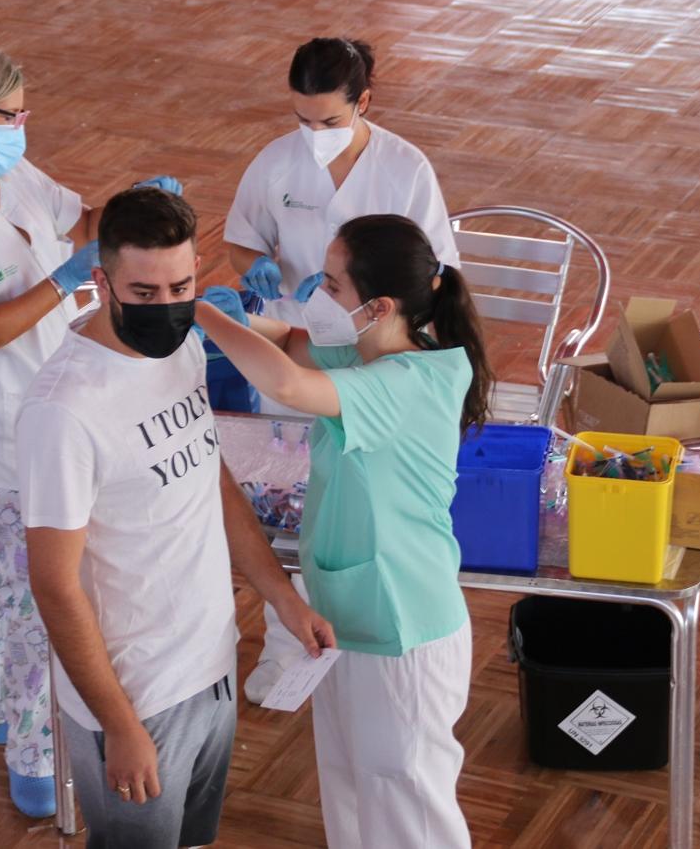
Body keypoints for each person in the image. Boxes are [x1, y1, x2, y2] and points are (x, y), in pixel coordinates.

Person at [0, 45, 181, 818]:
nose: (23, 127)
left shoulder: (4, 173)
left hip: (50, 410)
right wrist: (64, 278)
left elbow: (78, 222)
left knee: (3, 579)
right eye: (9, 115)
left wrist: (127, 208)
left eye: (25, 113)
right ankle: (36, 758)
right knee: (35, 600)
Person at [17, 187, 334, 849]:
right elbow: (54, 583)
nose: (167, 309)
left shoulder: (184, 347)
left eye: (181, 288)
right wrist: (119, 724)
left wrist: (280, 596)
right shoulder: (64, 410)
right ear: (101, 282)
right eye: (145, 293)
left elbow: (207, 477)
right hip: (136, 694)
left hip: (210, 661)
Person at [196, 214, 493, 849]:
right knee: (354, 791)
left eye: (331, 285)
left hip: (401, 626)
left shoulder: (407, 381)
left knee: (407, 808)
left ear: (379, 305)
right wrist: (244, 317)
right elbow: (289, 343)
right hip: (347, 615)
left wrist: (197, 312)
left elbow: (284, 381)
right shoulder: (368, 350)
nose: (318, 295)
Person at [223, 36, 462, 702]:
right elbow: (242, 238)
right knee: (292, 509)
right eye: (302, 119)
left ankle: (339, 633)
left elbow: (434, 270)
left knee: (349, 508)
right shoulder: (276, 163)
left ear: (364, 101)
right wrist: (256, 275)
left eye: (329, 121)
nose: (314, 134)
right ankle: (289, 643)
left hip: (369, 353)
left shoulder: (405, 169)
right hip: (296, 341)